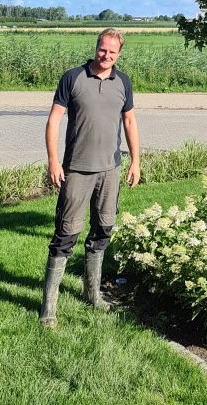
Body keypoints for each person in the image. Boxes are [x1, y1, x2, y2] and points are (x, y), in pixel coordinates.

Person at [39, 27, 140, 328]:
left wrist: (136, 161)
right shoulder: (73, 78)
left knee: (103, 230)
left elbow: (129, 121)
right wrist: (53, 160)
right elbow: (54, 120)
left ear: (119, 54)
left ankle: (92, 293)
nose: (106, 55)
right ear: (96, 47)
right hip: (76, 170)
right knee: (65, 235)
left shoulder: (123, 82)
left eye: (112, 52)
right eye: (102, 49)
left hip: (110, 170)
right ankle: (49, 307)